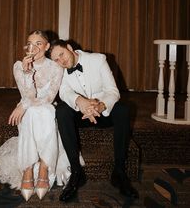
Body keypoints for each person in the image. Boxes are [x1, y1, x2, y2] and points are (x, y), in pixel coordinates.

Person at [49, 39, 139, 202]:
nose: (61, 61)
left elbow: (112, 91)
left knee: (123, 110)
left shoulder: (98, 60)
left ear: (69, 48)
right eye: (56, 59)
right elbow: (64, 92)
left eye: (61, 54)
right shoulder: (59, 69)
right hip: (81, 115)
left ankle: (119, 171)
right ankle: (76, 172)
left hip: (103, 113)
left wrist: (100, 106)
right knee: (61, 111)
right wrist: (80, 102)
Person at [0, 31, 77, 202]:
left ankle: (44, 167)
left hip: (45, 108)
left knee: (44, 110)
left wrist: (23, 105)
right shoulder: (18, 66)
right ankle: (28, 169)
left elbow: (49, 98)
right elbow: (27, 94)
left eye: (39, 43)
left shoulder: (55, 67)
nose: (34, 47)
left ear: (46, 47)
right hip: (30, 111)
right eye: (31, 43)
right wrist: (26, 72)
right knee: (32, 112)